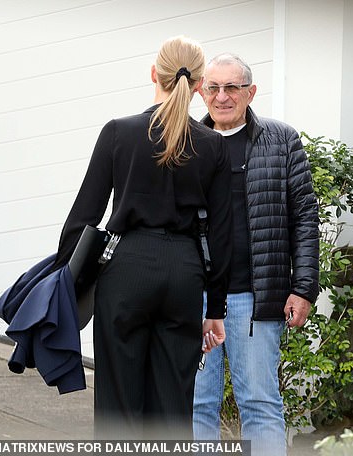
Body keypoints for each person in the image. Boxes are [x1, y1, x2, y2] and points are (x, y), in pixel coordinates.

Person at [52, 36, 232, 438]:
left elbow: (84, 217)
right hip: (184, 274)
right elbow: (222, 236)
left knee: (119, 403)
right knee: (173, 405)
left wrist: (64, 277)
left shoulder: (119, 132)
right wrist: (214, 309)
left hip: (127, 267)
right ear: (201, 85)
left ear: (155, 74)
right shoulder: (214, 146)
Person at [192, 53, 320, 456]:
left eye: (232, 87)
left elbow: (304, 216)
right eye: (213, 87)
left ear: (250, 92)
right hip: (194, 296)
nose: (223, 96)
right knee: (196, 405)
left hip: (254, 298)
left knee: (261, 405)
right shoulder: (187, 142)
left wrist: (304, 288)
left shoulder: (280, 139)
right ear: (200, 91)